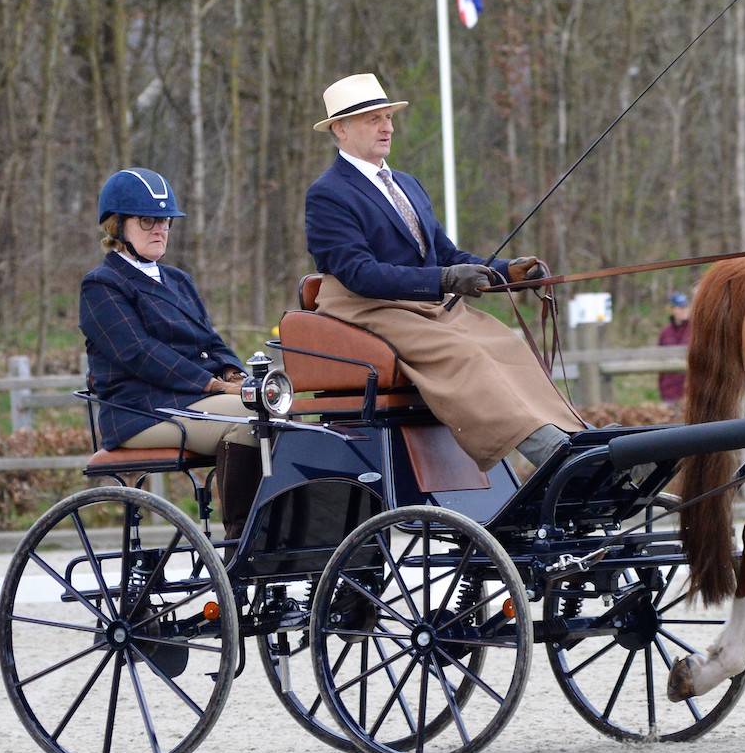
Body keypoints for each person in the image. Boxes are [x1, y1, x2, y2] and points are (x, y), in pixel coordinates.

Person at [303, 73, 582, 470]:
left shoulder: (407, 184)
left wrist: (507, 272)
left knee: (506, 344)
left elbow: (446, 254)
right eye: (373, 119)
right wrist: (443, 281)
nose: (387, 127)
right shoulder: (328, 193)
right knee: (464, 354)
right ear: (340, 129)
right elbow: (359, 273)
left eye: (388, 117)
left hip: (424, 307)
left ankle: (576, 436)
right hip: (367, 309)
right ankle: (552, 453)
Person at [79, 168, 262, 541]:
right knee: (251, 422)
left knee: (278, 412)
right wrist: (213, 385)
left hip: (191, 400)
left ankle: (284, 534)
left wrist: (236, 375)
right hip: (141, 411)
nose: (160, 229)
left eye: (165, 221)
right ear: (117, 226)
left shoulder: (178, 280)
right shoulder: (101, 285)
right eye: (148, 221)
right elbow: (140, 354)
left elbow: (211, 340)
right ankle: (244, 542)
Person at [656, 291, 692, 405]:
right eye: (680, 307)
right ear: (672, 310)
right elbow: (660, 363)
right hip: (669, 390)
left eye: (685, 306)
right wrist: (662, 388)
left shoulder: (695, 330)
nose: (683, 310)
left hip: (690, 391)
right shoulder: (665, 333)